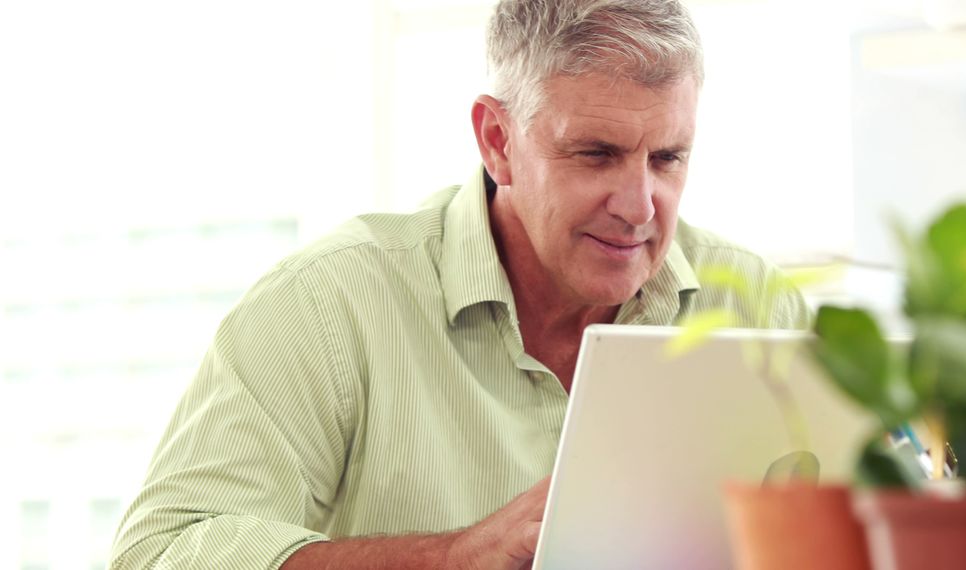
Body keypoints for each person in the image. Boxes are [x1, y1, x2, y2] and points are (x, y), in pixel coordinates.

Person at [110, 1, 808, 568]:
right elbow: (158, 554)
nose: (639, 204)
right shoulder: (332, 303)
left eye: (668, 158)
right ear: (498, 141)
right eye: (596, 155)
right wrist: (449, 558)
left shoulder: (757, 306)